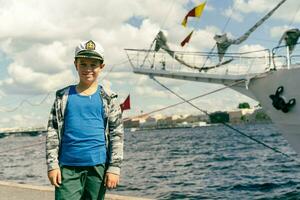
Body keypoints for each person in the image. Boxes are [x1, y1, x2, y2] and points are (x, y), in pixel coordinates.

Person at [46, 40, 124, 200]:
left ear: (101, 66)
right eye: (83, 64)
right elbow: (52, 131)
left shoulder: (109, 99)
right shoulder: (63, 97)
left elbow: (117, 134)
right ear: (76, 64)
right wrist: (52, 165)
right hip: (68, 167)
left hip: (98, 167)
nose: (88, 69)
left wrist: (114, 167)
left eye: (93, 64)